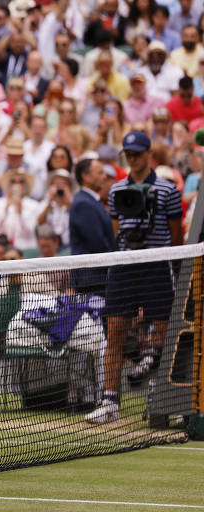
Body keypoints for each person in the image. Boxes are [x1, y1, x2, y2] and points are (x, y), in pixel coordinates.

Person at [86, 131, 182, 424]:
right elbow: (118, 233)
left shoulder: (168, 190)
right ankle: (110, 401)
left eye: (138, 153)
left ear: (148, 153)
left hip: (156, 265)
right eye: (129, 154)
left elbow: (176, 235)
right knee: (114, 331)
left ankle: (163, 397)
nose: (134, 158)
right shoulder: (115, 191)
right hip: (125, 266)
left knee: (164, 333)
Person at [69, 158, 116, 294]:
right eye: (99, 173)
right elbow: (97, 242)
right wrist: (116, 261)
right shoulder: (83, 204)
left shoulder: (92, 201)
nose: (105, 176)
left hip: (98, 277)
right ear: (85, 176)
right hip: (92, 280)